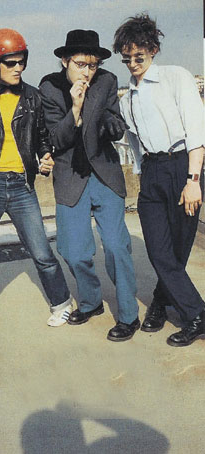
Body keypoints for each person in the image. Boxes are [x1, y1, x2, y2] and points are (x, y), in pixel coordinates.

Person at [0, 28, 73, 327]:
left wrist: (45, 157)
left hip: (22, 187)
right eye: (10, 63)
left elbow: (43, 138)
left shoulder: (33, 98)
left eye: (21, 61)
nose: (18, 68)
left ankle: (62, 302)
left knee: (42, 253)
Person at [39, 30, 139, 341]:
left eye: (93, 65)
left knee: (115, 246)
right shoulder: (50, 87)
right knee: (73, 251)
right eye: (81, 64)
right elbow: (56, 139)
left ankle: (128, 316)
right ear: (65, 60)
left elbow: (114, 119)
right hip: (70, 177)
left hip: (105, 174)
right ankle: (92, 301)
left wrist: (112, 125)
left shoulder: (107, 81)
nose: (87, 71)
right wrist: (75, 108)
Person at [113, 14, 205, 346]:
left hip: (183, 167)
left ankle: (161, 303)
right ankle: (197, 313)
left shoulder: (175, 78)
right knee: (158, 250)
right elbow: (134, 142)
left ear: (153, 49)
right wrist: (142, 172)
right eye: (127, 58)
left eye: (139, 56)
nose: (133, 64)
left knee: (177, 251)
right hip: (152, 173)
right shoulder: (128, 100)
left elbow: (196, 130)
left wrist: (193, 179)